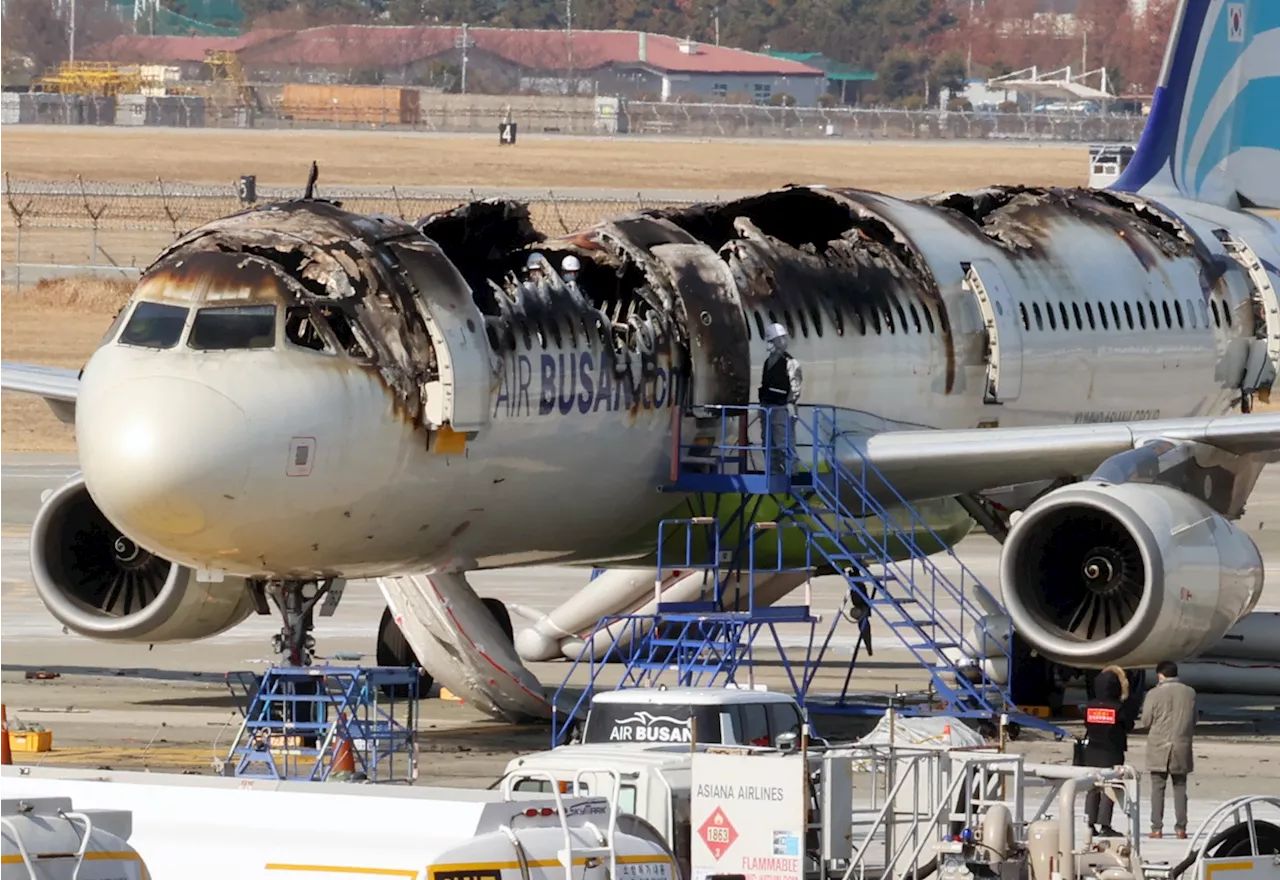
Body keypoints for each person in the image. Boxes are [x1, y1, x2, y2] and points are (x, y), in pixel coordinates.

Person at [1140, 659, 1197, 839]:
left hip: (1159, 746)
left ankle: (1157, 827)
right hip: (1181, 746)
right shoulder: (1190, 693)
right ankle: (1181, 828)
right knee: (1180, 788)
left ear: (1160, 675)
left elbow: (1146, 721)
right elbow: (1194, 719)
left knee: (1157, 788)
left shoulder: (1153, 693)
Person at [1082, 665, 1135, 837]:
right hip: (1112, 751)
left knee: (1092, 788)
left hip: (1092, 750)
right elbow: (1128, 725)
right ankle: (1105, 824)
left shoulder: (1089, 707)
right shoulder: (1118, 708)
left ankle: (1089, 823)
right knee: (1109, 788)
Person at [757, 322, 803, 474]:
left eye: (783, 338)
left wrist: (790, 402)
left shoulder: (790, 363)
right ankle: (773, 471)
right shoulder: (768, 362)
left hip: (782, 408)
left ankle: (791, 472)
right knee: (768, 441)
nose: (782, 342)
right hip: (767, 407)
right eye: (779, 339)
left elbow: (795, 387)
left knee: (784, 441)